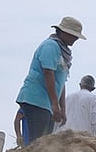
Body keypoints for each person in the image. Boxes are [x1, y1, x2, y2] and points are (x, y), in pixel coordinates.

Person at [15, 16, 86, 145]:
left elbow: (61, 82)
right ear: (64, 33)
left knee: (45, 142)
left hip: (47, 103)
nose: (76, 39)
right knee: (38, 142)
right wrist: (55, 104)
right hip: (36, 100)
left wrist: (62, 108)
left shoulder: (63, 52)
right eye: (74, 35)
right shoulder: (51, 46)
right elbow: (48, 73)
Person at [59, 74, 96, 142]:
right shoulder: (93, 98)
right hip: (83, 141)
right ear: (93, 88)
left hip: (65, 139)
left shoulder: (67, 98)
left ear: (80, 85)